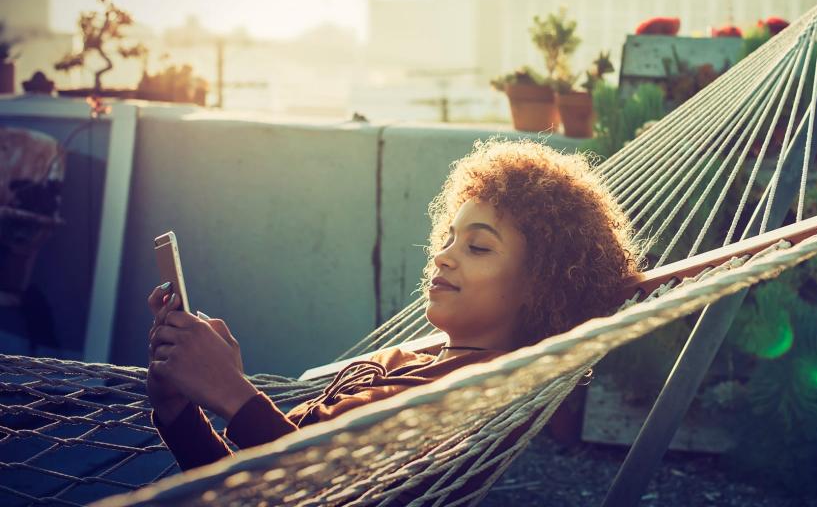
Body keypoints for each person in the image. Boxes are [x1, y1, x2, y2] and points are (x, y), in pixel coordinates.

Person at [147, 137, 643, 475]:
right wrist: (179, 410)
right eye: (449, 237)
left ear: (541, 286)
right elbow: (250, 491)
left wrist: (231, 391)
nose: (443, 256)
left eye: (478, 247)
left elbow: (317, 490)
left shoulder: (469, 394)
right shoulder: (402, 363)